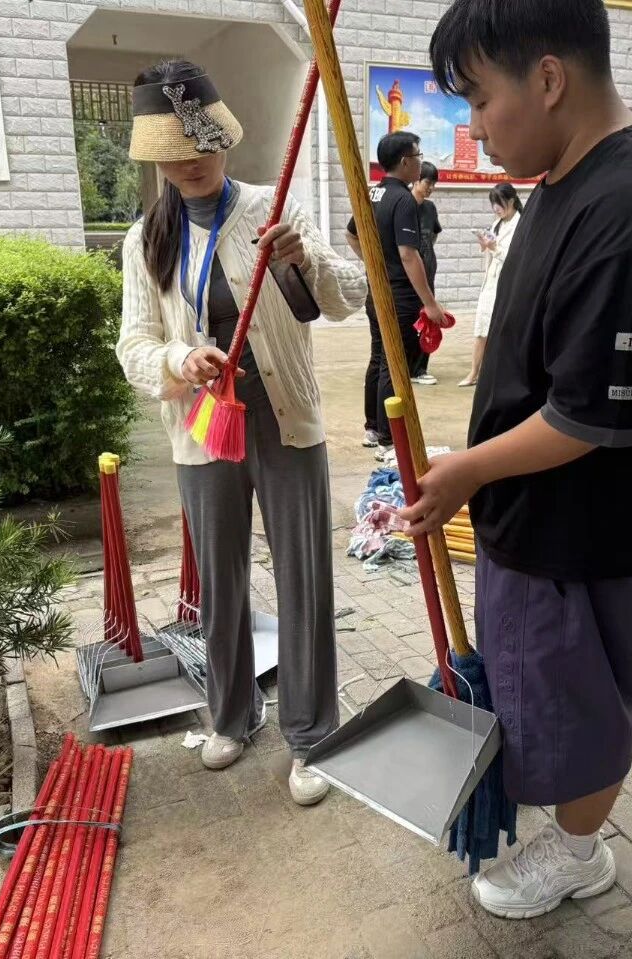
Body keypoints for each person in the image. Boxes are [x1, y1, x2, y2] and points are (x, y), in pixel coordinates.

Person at [404, 0, 632, 918]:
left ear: (548, 78)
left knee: (578, 704)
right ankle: (563, 817)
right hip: (537, 514)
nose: (473, 127)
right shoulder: (562, 178)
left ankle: (579, 851)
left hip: (588, 530)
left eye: (479, 98)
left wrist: (467, 470)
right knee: (541, 687)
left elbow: (588, 416)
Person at [116, 59, 368, 806]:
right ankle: (232, 714)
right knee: (220, 582)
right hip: (203, 423)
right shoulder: (146, 240)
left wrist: (305, 255)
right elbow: (133, 345)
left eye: (202, 144)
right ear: (155, 158)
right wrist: (178, 358)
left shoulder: (274, 208)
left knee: (303, 575)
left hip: (284, 417)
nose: (190, 162)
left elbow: (349, 297)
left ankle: (313, 734)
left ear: (224, 139)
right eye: (173, 151)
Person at [348, 131, 448, 460]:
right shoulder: (403, 199)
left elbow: (351, 234)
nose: (420, 162)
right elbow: (408, 254)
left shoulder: (372, 193)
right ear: (405, 161)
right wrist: (430, 304)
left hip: (377, 292)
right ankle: (388, 441)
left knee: (379, 358)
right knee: (395, 366)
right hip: (400, 298)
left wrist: (375, 264)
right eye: (418, 156)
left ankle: (373, 428)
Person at [459, 182, 522, 387]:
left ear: (511, 201)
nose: (496, 208)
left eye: (499, 203)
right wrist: (484, 244)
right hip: (490, 284)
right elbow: (491, 251)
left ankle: (502, 375)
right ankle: (474, 372)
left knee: (504, 331)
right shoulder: (497, 223)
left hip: (508, 285)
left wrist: (494, 248)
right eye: (493, 203)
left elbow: (515, 258)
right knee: (481, 329)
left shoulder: (521, 225)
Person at [411, 162, 444, 385]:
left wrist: (425, 253)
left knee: (428, 319)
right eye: (427, 182)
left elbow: (434, 234)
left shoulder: (430, 208)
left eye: (434, 183)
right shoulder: (404, 205)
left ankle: (420, 369)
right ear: (416, 180)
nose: (431, 187)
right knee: (407, 322)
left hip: (428, 271)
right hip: (407, 275)